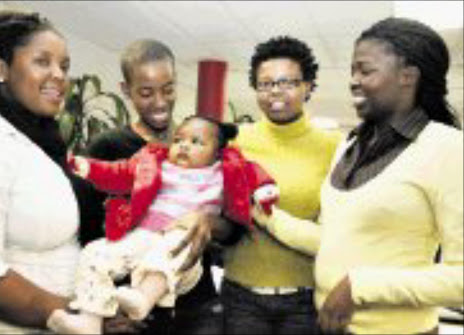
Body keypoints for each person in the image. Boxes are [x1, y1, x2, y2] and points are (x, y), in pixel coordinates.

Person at [253, 18, 463, 334]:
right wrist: (266, 216)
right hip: (328, 325)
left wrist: (358, 287)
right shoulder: (350, 144)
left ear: (408, 76)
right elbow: (332, 239)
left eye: (365, 71)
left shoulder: (447, 148)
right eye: (353, 71)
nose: (353, 80)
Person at [48, 116, 279, 334]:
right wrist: (87, 167)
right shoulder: (155, 163)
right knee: (95, 252)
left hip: (182, 241)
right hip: (145, 234)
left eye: (196, 142)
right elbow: (119, 171)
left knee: (172, 249)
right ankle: (89, 321)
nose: (184, 146)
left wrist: (265, 190)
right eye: (178, 140)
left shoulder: (224, 170)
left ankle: (143, 298)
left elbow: (253, 174)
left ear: (218, 153)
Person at [0, 10, 107, 334]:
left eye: (64, 66)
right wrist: (82, 314)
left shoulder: (41, 142)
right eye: (42, 61)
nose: (60, 75)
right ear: (0, 69)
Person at [83, 39, 235, 335]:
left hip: (199, 307)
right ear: (126, 90)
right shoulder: (109, 147)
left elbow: (234, 228)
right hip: (137, 312)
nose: (160, 102)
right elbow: (90, 230)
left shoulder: (202, 145)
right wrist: (103, 309)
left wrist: (209, 222)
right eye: (146, 93)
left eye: (168, 89)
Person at [220, 36, 342, 334]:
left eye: (287, 82)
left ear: (308, 86)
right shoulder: (236, 141)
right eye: (265, 83)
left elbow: (339, 229)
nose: (275, 91)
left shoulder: (334, 147)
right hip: (241, 298)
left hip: (304, 298)